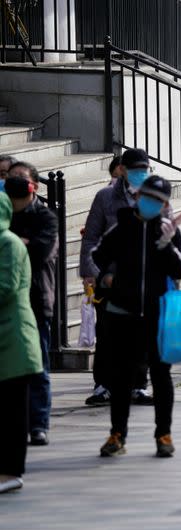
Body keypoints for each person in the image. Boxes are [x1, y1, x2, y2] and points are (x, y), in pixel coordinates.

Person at [92, 176, 181, 458]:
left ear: (165, 204)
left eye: (158, 201)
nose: (151, 204)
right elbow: (99, 254)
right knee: (121, 377)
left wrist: (166, 245)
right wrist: (110, 274)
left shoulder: (169, 230)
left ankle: (164, 434)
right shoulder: (122, 226)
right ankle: (117, 434)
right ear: (137, 197)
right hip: (124, 312)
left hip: (158, 315)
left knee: (161, 375)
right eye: (147, 197)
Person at [81, 148, 154, 407]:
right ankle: (103, 385)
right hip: (109, 277)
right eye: (134, 169)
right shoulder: (105, 198)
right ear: (121, 170)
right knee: (108, 333)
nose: (139, 174)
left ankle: (138, 385)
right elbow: (91, 236)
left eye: (144, 169)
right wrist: (90, 272)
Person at [6, 161, 57, 447]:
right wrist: (20, 242)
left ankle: (38, 423)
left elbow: (41, 251)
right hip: (9, 301)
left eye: (18, 180)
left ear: (34, 185)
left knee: (38, 365)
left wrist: (13, 244)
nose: (12, 184)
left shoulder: (45, 216)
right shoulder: (4, 214)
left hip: (36, 300)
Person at [0, 191, 43, 494]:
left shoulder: (9, 244)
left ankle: (11, 471)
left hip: (13, 339)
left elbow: (5, 288)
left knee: (13, 411)